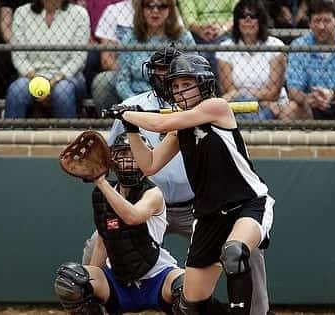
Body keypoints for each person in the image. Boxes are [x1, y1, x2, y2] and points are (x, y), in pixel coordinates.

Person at [86, 47, 273, 315]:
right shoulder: (178, 127)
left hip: (246, 204)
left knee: (235, 252)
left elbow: (160, 125)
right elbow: (149, 165)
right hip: (208, 216)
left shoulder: (215, 107)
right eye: (176, 85)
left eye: (188, 84)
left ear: (203, 84)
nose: (181, 90)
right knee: (190, 303)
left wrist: (129, 113)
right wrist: (131, 129)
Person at [54, 133, 227, 315]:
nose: (129, 161)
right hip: (117, 278)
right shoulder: (101, 194)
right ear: (112, 160)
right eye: (123, 155)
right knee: (71, 280)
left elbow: (133, 217)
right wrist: (92, 285)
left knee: (185, 291)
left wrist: (101, 182)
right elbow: (102, 242)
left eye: (135, 155)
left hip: (156, 275)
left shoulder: (153, 193)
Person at [284, 0, 335, 121]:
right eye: (317, 21)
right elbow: (293, 91)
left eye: (327, 21)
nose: (321, 27)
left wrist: (333, 95)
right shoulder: (299, 45)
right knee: (290, 108)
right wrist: (308, 99)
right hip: (312, 105)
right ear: (310, 24)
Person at [4, 0, 89, 118]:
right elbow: (19, 56)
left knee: (62, 91)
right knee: (16, 90)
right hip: (31, 76)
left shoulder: (79, 14)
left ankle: (66, 135)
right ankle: (11, 135)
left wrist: (52, 82)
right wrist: (39, 82)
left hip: (68, 76)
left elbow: (78, 57)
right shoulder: (22, 12)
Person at [216, 0, 288, 120]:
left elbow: (273, 93)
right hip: (239, 104)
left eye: (253, 16)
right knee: (243, 111)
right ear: (236, 21)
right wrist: (252, 97)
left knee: (244, 117)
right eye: (242, 16)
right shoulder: (225, 48)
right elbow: (229, 90)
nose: (247, 20)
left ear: (261, 20)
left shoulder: (275, 45)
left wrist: (241, 92)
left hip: (272, 105)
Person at [115, 0, 195, 102]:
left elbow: (193, 75)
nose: (155, 11)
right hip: (138, 97)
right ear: (141, 9)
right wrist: (134, 102)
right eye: (149, 5)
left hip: (176, 99)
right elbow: (122, 81)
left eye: (162, 6)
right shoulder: (130, 38)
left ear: (170, 9)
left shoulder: (183, 37)